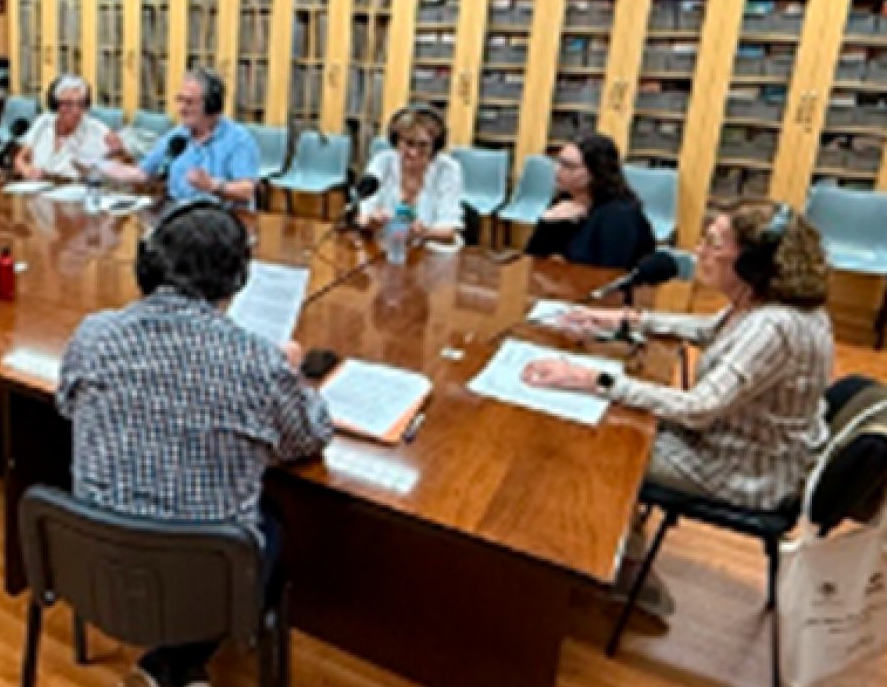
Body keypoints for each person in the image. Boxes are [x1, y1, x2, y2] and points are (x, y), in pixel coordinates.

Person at [57, 202, 334, 687]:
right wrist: (291, 374)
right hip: (202, 585)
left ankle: (173, 666)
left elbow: (67, 405)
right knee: (270, 519)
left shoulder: (93, 334)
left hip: (95, 565)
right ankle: (177, 663)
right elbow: (308, 437)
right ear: (237, 280)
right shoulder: (256, 360)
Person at [523, 202, 832, 617]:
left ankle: (612, 568)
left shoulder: (774, 326)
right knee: (622, 419)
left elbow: (698, 408)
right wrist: (620, 320)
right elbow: (705, 329)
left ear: (752, 263)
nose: (699, 250)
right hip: (738, 445)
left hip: (740, 470)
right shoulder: (766, 307)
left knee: (603, 440)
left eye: (713, 243)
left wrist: (592, 379)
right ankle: (619, 552)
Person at [100, 69, 261, 208]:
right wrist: (100, 167)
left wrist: (213, 185)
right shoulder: (177, 136)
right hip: (179, 215)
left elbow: (246, 190)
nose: (181, 109)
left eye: (189, 102)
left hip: (221, 220)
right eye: (180, 100)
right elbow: (143, 174)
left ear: (212, 105)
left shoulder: (238, 140)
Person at [525, 134, 655, 269]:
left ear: (596, 171)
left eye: (569, 166)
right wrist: (547, 222)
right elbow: (532, 262)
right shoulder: (566, 199)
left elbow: (609, 271)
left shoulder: (619, 215)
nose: (557, 170)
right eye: (558, 162)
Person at [357, 105, 464, 245]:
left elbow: (449, 231)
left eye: (423, 145)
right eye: (408, 143)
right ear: (396, 142)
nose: (413, 153)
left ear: (435, 145)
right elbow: (363, 217)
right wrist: (372, 221)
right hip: (386, 246)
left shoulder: (448, 169)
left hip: (430, 249)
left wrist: (423, 232)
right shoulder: (382, 162)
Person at [13, 74, 109, 180]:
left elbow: (117, 166)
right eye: (68, 104)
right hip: (37, 187)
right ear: (55, 104)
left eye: (81, 104)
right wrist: (26, 170)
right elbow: (20, 158)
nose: (76, 111)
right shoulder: (43, 122)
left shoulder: (97, 130)